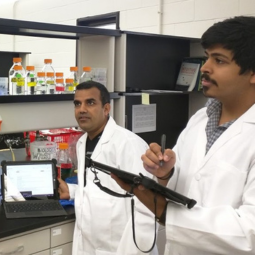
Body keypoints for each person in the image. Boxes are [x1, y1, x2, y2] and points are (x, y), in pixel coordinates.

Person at [111, 16, 255, 255]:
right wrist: (166, 174)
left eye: (219, 60)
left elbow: (250, 231)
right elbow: (187, 187)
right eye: (207, 56)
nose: (205, 67)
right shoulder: (201, 118)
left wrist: (165, 211)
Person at [58, 81, 158, 255]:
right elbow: (101, 190)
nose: (82, 109)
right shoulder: (83, 143)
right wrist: (72, 191)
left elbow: (148, 204)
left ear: (106, 109)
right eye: (77, 104)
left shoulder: (128, 144)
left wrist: (136, 250)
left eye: (90, 102)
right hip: (89, 246)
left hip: (121, 248)